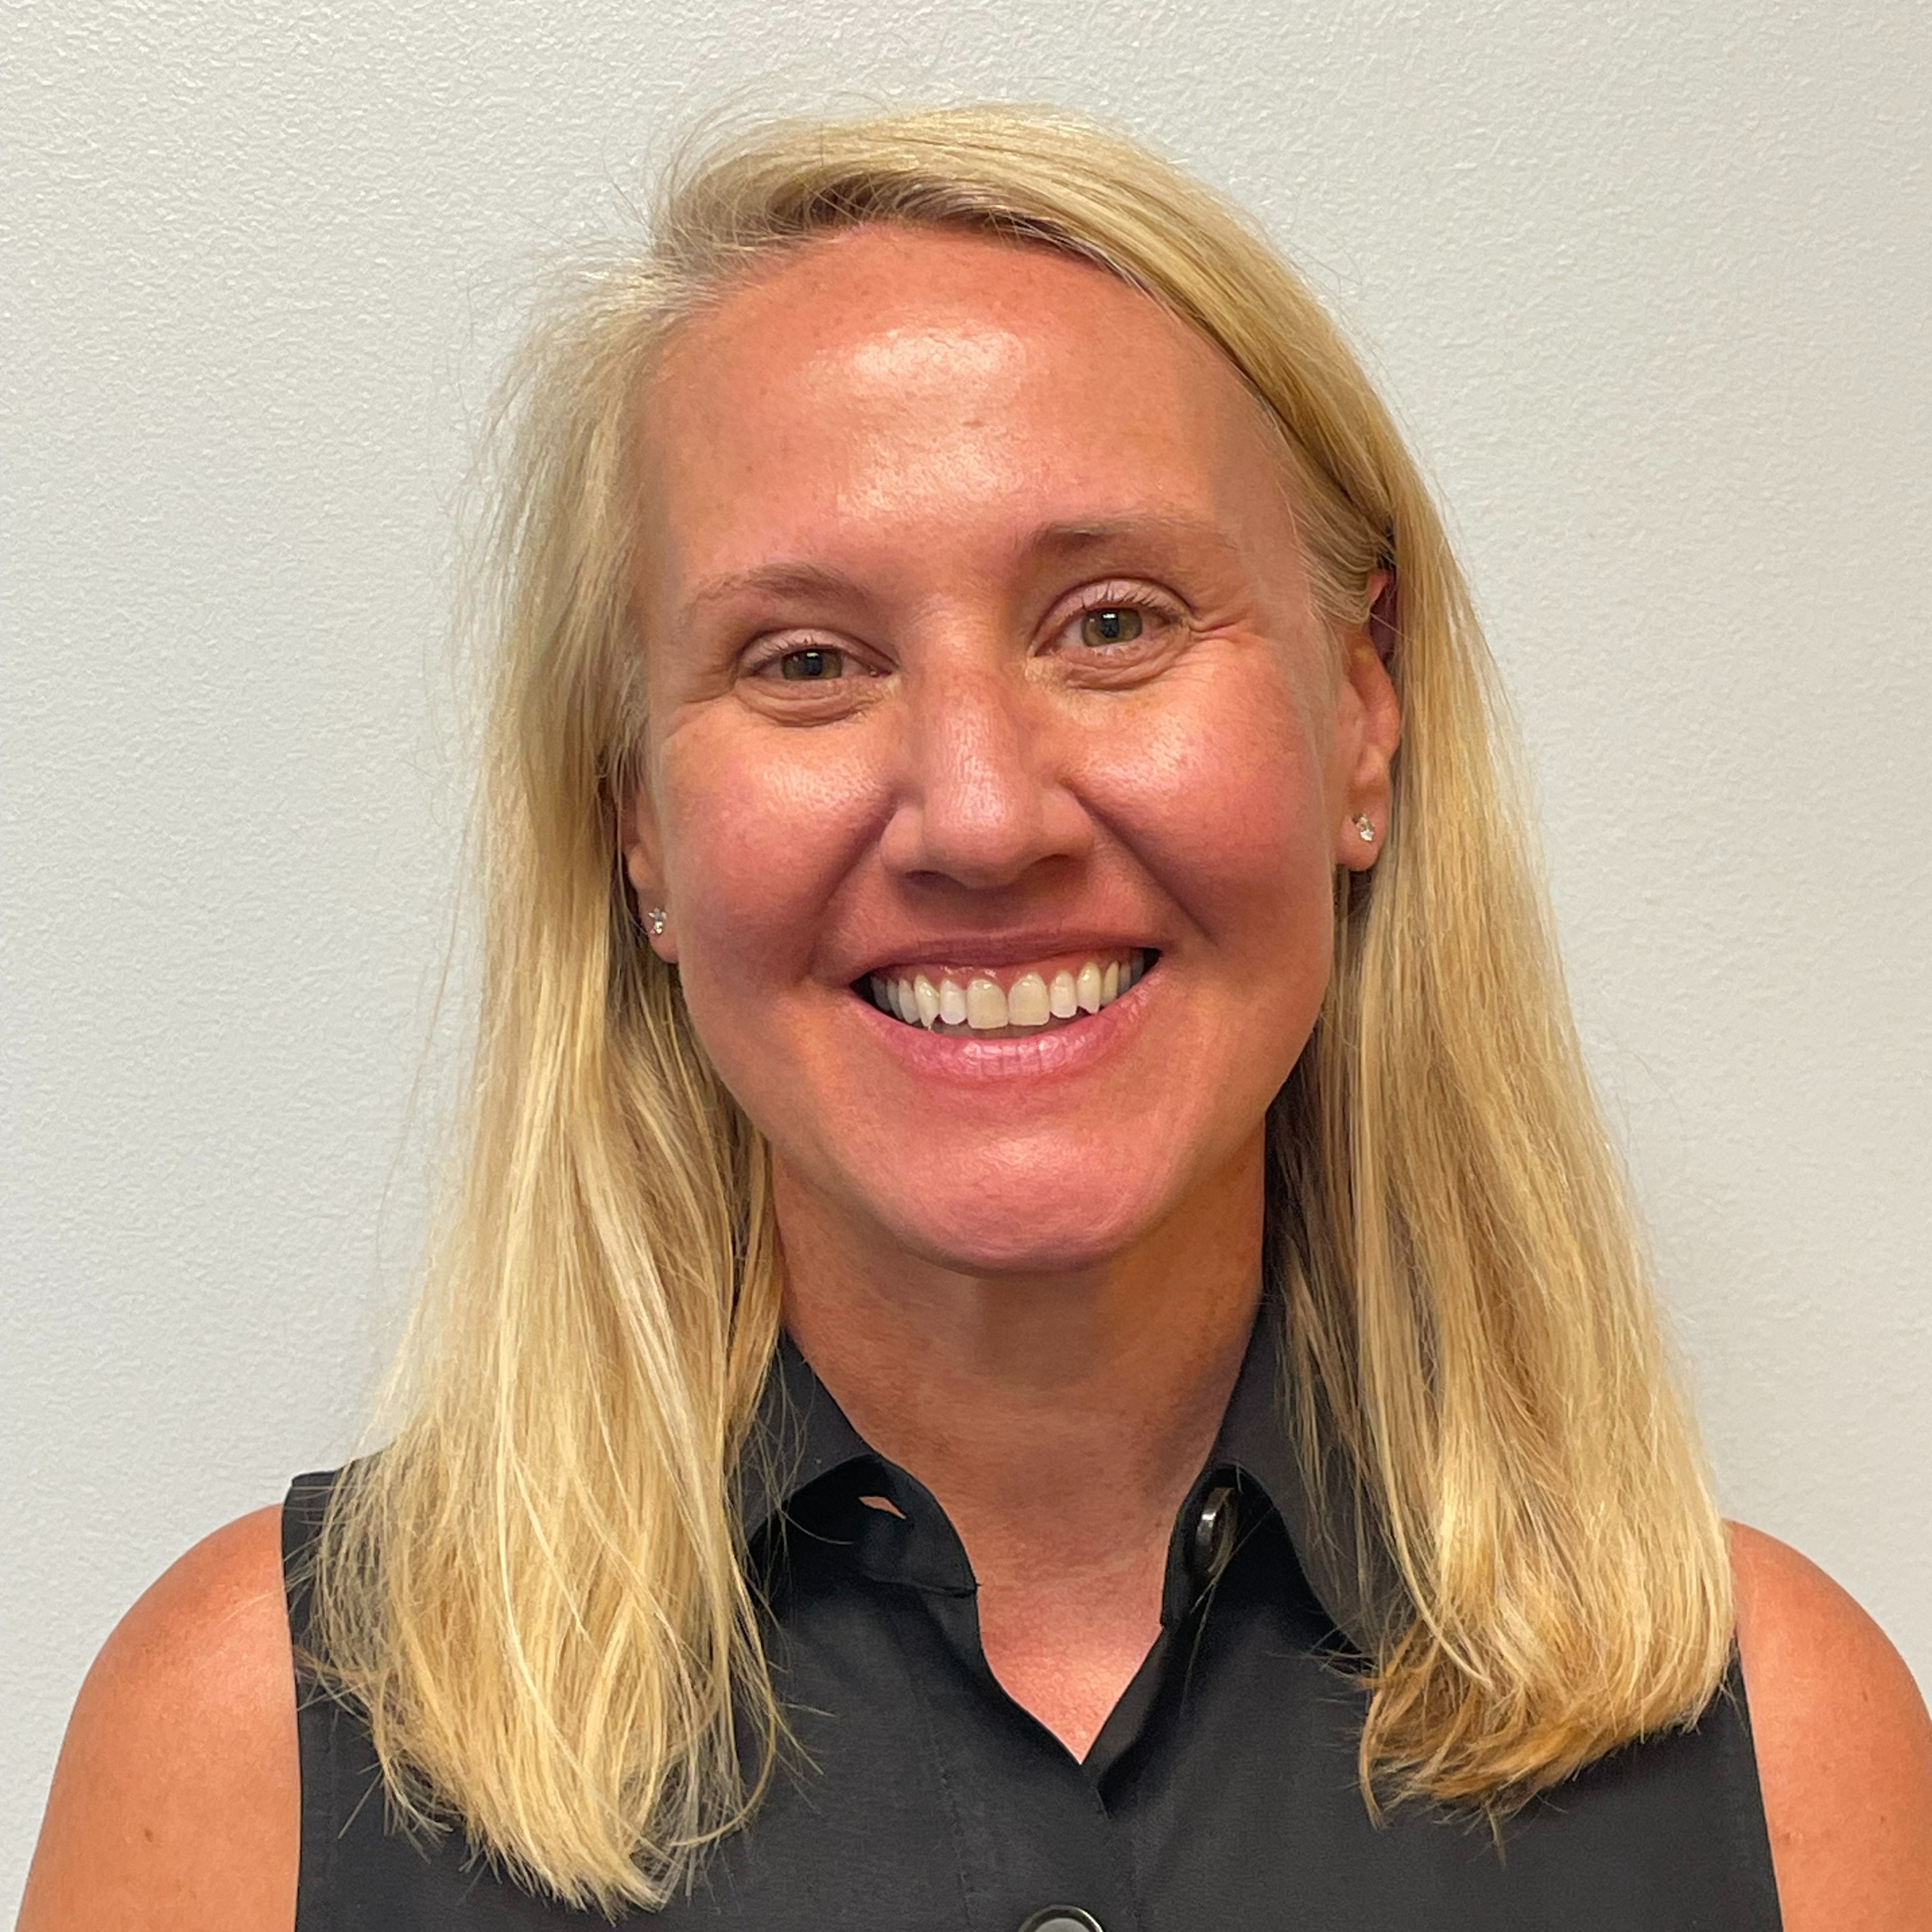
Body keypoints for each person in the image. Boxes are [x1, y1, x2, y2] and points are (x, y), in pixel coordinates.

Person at [20, 105, 1932, 1932]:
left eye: (1111, 623)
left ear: (1362, 712)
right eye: (806, 661)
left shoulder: (1781, 1753)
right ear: (639, 831)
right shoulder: (258, 1752)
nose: (984, 813)